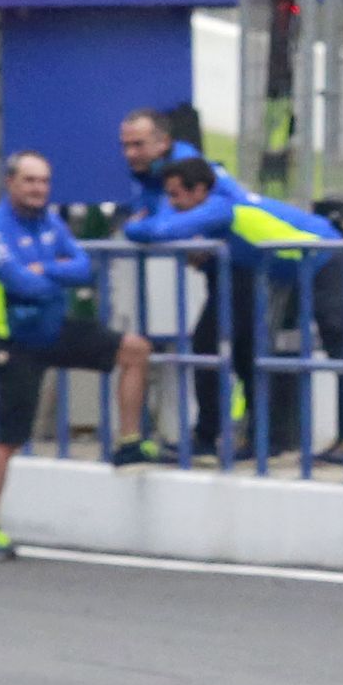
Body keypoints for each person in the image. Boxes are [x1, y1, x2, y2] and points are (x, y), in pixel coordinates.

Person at [0, 151, 166, 562]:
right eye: (29, 181)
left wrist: (44, 269)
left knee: (135, 349)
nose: (38, 189)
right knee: (9, 439)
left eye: (43, 181)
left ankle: (128, 444)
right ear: (10, 183)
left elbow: (83, 269)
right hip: (14, 341)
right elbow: (24, 283)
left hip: (55, 330)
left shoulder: (50, 220)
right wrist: (48, 271)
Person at [123, 157, 343, 463]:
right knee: (262, 352)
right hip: (301, 267)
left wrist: (134, 224)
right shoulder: (219, 204)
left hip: (325, 258)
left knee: (342, 350)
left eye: (176, 195)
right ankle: (268, 438)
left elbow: (161, 230)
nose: (172, 203)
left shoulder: (219, 207)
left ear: (200, 190)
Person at [120, 109, 251, 458]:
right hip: (225, 266)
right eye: (126, 145)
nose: (131, 153)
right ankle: (244, 436)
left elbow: (158, 226)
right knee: (238, 349)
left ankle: (212, 438)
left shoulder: (179, 168)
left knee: (216, 346)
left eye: (139, 144)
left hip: (245, 262)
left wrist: (137, 228)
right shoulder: (150, 173)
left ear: (163, 142)